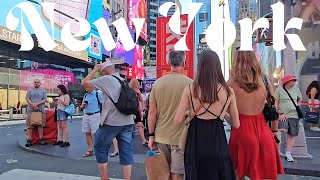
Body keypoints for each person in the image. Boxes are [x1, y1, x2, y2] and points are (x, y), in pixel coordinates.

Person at [174, 50, 240, 180]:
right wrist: (221, 112)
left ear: (200, 67)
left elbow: (177, 120)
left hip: (195, 144)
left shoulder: (190, 89)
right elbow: (236, 124)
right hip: (218, 143)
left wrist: (190, 113)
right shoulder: (228, 91)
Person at [228, 51, 284, 179]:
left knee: (237, 173)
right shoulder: (264, 80)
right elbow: (273, 109)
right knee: (261, 174)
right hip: (263, 131)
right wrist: (274, 131)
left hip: (240, 131)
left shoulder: (231, 83)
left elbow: (226, 111)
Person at [81, 60, 135, 180]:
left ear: (105, 71)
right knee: (126, 151)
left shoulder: (106, 79)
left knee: (100, 147)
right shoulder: (123, 80)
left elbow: (84, 83)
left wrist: (94, 70)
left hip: (111, 121)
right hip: (127, 121)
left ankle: (104, 178)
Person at [148, 51, 193, 180]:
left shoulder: (158, 83)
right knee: (178, 175)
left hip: (161, 136)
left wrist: (151, 136)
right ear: (184, 63)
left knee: (163, 174)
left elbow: (152, 112)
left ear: (169, 63)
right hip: (182, 138)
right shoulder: (191, 84)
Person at [275, 75, 303, 162]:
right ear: (287, 82)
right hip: (283, 115)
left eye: (294, 81)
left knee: (292, 134)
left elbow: (301, 98)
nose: (293, 82)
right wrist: (280, 113)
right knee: (281, 130)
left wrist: (298, 103)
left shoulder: (296, 89)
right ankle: (277, 150)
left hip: (294, 115)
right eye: (292, 81)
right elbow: (276, 103)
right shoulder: (279, 90)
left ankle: (288, 153)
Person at [80, 86, 102, 157]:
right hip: (86, 114)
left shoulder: (97, 94)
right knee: (87, 133)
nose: (86, 89)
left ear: (91, 87)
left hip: (95, 115)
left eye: (87, 87)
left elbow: (103, 103)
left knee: (96, 133)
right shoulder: (86, 95)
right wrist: (82, 106)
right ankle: (90, 150)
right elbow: (82, 106)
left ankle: (99, 149)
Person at [25, 79, 48, 147]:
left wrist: (37, 104)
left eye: (38, 82)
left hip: (41, 110)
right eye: (35, 82)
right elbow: (27, 98)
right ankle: (29, 139)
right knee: (29, 125)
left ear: (40, 83)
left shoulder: (43, 91)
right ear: (33, 83)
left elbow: (45, 99)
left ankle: (41, 139)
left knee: (40, 124)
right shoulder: (30, 90)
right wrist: (33, 105)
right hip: (30, 110)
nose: (36, 83)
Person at [129, 78, 148, 146]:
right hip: (132, 110)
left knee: (140, 125)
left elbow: (141, 100)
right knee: (131, 126)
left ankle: (143, 140)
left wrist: (139, 93)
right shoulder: (130, 91)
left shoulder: (137, 91)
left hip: (137, 110)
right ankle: (129, 140)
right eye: (137, 83)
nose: (139, 84)